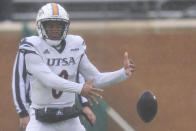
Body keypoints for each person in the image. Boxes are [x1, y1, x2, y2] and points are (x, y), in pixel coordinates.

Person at [19, 3, 135, 131]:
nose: (55, 29)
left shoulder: (75, 44)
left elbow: (96, 78)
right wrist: (80, 88)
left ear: (65, 26)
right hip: (41, 119)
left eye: (59, 25)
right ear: (41, 26)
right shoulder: (32, 45)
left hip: (70, 119)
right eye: (50, 25)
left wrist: (123, 73)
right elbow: (49, 80)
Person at [12, 49, 95, 130]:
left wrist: (85, 104)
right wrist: (23, 112)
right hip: (38, 112)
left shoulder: (70, 48)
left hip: (67, 112)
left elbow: (77, 76)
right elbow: (19, 81)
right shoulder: (29, 49)